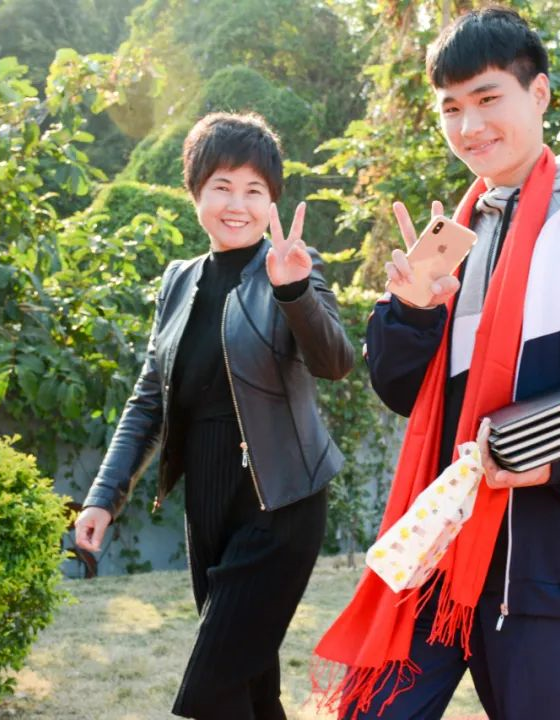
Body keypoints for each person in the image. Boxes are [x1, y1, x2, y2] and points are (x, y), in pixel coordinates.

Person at [313, 8, 560, 719]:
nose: (468, 125)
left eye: (487, 99)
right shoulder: (456, 232)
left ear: (538, 94)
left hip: (548, 565)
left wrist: (547, 461)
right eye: (451, 107)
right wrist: (411, 311)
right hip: (436, 546)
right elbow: (400, 391)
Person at [73, 112, 354, 719]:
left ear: (272, 201)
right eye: (222, 186)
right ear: (195, 191)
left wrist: (293, 291)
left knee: (211, 690)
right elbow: (150, 399)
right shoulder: (178, 280)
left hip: (281, 503)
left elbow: (335, 362)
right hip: (207, 505)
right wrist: (103, 498)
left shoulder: (294, 264)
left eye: (255, 190)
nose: (238, 204)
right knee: (251, 690)